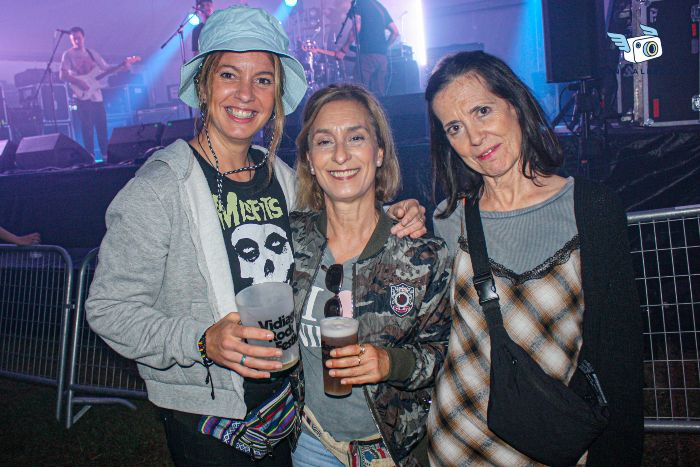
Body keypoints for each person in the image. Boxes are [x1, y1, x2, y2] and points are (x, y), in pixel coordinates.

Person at [85, 6, 426, 466]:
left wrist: (394, 215)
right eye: (229, 74)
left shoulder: (281, 177)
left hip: (290, 412)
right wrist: (201, 341)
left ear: (276, 94)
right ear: (203, 85)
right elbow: (108, 308)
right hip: (211, 422)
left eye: (262, 79)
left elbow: (339, 223)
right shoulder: (161, 188)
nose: (245, 93)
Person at [425, 51, 643, 466]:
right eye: (455, 127)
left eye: (482, 111)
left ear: (516, 104)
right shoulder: (449, 220)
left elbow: (620, 356)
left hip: (554, 444)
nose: (474, 137)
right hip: (458, 444)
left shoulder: (591, 208)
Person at [289, 84, 451, 467]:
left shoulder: (423, 255)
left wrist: (390, 363)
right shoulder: (288, 240)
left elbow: (446, 354)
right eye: (324, 141)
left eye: (356, 137)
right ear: (309, 159)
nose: (340, 155)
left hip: (390, 450)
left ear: (379, 152)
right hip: (311, 441)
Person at [60, 27, 110, 158]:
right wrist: (78, 82)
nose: (76, 41)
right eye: (73, 39)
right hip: (81, 95)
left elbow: (106, 68)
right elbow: (63, 75)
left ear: (83, 38)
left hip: (96, 95)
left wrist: (122, 66)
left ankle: (106, 155)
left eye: (78, 38)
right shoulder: (68, 55)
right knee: (87, 127)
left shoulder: (92, 53)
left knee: (101, 125)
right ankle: (90, 156)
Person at [335, 0, 399, 96]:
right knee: (379, 95)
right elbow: (395, 32)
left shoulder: (358, 4)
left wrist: (344, 49)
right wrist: (384, 47)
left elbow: (356, 28)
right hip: (382, 57)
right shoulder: (379, 6)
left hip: (367, 56)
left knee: (360, 94)